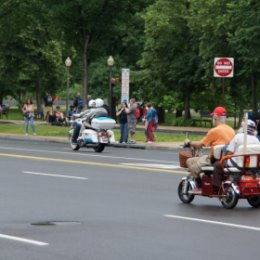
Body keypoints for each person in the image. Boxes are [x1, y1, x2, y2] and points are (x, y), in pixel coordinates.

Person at [185, 106, 235, 191]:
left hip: (213, 159)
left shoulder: (214, 131)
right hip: (226, 159)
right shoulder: (232, 130)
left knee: (189, 161)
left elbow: (200, 144)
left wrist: (189, 142)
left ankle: (199, 185)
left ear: (215, 118)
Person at [213, 119, 260, 187]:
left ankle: (218, 187)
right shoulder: (256, 140)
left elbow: (230, 153)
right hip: (253, 166)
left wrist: (223, 159)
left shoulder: (238, 137)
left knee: (217, 165)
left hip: (237, 164)